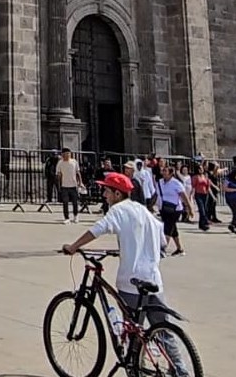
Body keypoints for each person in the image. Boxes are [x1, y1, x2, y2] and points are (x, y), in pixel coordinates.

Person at [61, 173, 189, 376]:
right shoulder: (143, 210)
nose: (104, 194)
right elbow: (162, 242)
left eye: (106, 190)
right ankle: (180, 371)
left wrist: (74, 246)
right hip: (154, 278)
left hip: (131, 281)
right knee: (163, 329)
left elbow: (98, 229)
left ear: (117, 193)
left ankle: (134, 370)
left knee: (132, 331)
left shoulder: (117, 211)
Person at [157, 166, 193, 256]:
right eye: (163, 171)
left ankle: (163, 248)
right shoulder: (160, 182)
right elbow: (156, 195)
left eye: (165, 171)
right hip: (164, 208)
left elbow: (184, 196)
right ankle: (180, 249)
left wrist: (189, 208)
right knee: (173, 229)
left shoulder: (176, 183)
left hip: (175, 209)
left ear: (171, 173)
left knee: (168, 227)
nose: (163, 172)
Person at [57, 148, 83, 224]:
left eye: (69, 154)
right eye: (66, 154)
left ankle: (75, 215)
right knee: (65, 202)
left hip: (73, 185)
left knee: (75, 202)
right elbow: (59, 175)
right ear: (63, 155)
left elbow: (78, 173)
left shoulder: (74, 162)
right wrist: (59, 185)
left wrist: (80, 182)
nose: (67, 155)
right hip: (64, 185)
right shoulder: (60, 163)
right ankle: (66, 218)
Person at [190, 164, 211, 231]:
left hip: (205, 194)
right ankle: (205, 222)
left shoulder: (205, 176)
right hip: (198, 194)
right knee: (202, 209)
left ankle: (201, 224)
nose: (201, 170)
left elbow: (208, 185)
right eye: (200, 169)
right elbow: (193, 186)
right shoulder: (195, 177)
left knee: (205, 209)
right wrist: (192, 196)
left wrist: (209, 193)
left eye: (202, 168)